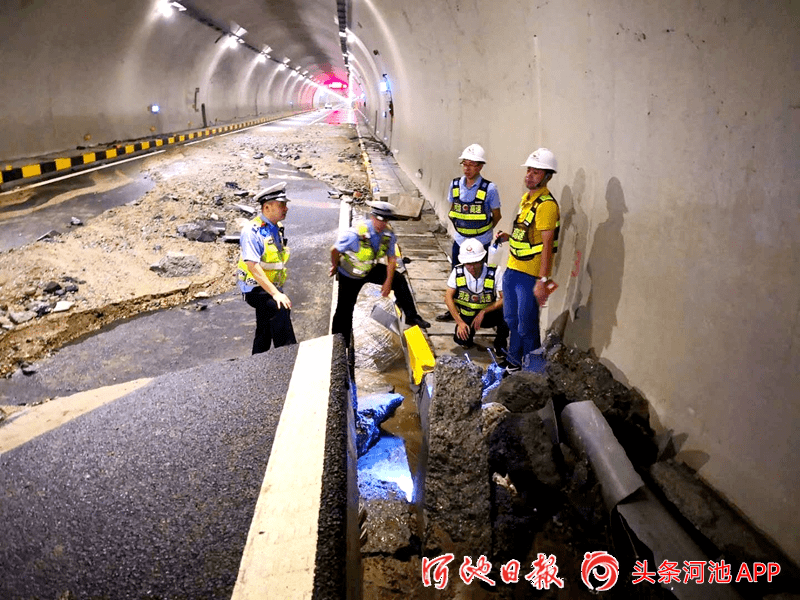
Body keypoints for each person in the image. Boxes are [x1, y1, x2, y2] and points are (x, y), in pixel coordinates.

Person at [494, 148, 560, 372]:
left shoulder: (547, 206)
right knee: (512, 321)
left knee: (527, 327)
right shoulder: (527, 199)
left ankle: (534, 375)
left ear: (547, 176)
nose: (530, 175)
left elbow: (547, 245)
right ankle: (514, 363)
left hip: (529, 274)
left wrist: (542, 279)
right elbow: (528, 237)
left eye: (536, 172)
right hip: (513, 269)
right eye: (529, 170)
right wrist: (508, 238)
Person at [330, 201, 430, 345]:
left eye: (385, 220)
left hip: (369, 269)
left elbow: (391, 259)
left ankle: (411, 315)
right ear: (372, 217)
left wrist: (388, 282)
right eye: (379, 219)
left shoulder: (387, 235)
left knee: (399, 279)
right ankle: (340, 343)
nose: (381, 224)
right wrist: (334, 266)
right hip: (350, 274)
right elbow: (334, 250)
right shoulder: (355, 234)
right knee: (344, 310)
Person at [436, 143, 502, 322]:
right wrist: (462, 232)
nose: (467, 168)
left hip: (482, 241)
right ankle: (455, 312)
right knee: (458, 277)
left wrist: (481, 233)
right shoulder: (455, 185)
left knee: (483, 279)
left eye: (472, 165)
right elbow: (453, 211)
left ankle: (483, 314)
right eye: (465, 164)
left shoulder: (490, 189)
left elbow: (496, 216)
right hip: (460, 241)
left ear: (480, 167)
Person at [236, 182, 297, 354]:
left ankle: (258, 359)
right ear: (267, 207)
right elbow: (253, 267)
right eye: (281, 205)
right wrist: (276, 293)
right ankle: (287, 356)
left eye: (286, 204)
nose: (286, 209)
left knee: (264, 328)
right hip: (255, 288)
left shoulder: (275, 227)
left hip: (268, 285)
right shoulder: (252, 231)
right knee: (280, 308)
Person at [442, 238, 509, 354]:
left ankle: (500, 344)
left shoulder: (495, 272)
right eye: (468, 264)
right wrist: (460, 322)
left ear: (483, 259)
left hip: (488, 315)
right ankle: (468, 335)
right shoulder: (458, 272)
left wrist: (483, 311)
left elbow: (505, 298)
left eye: (475, 263)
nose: (472, 268)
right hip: (467, 314)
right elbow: (448, 298)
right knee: (462, 340)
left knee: (508, 313)